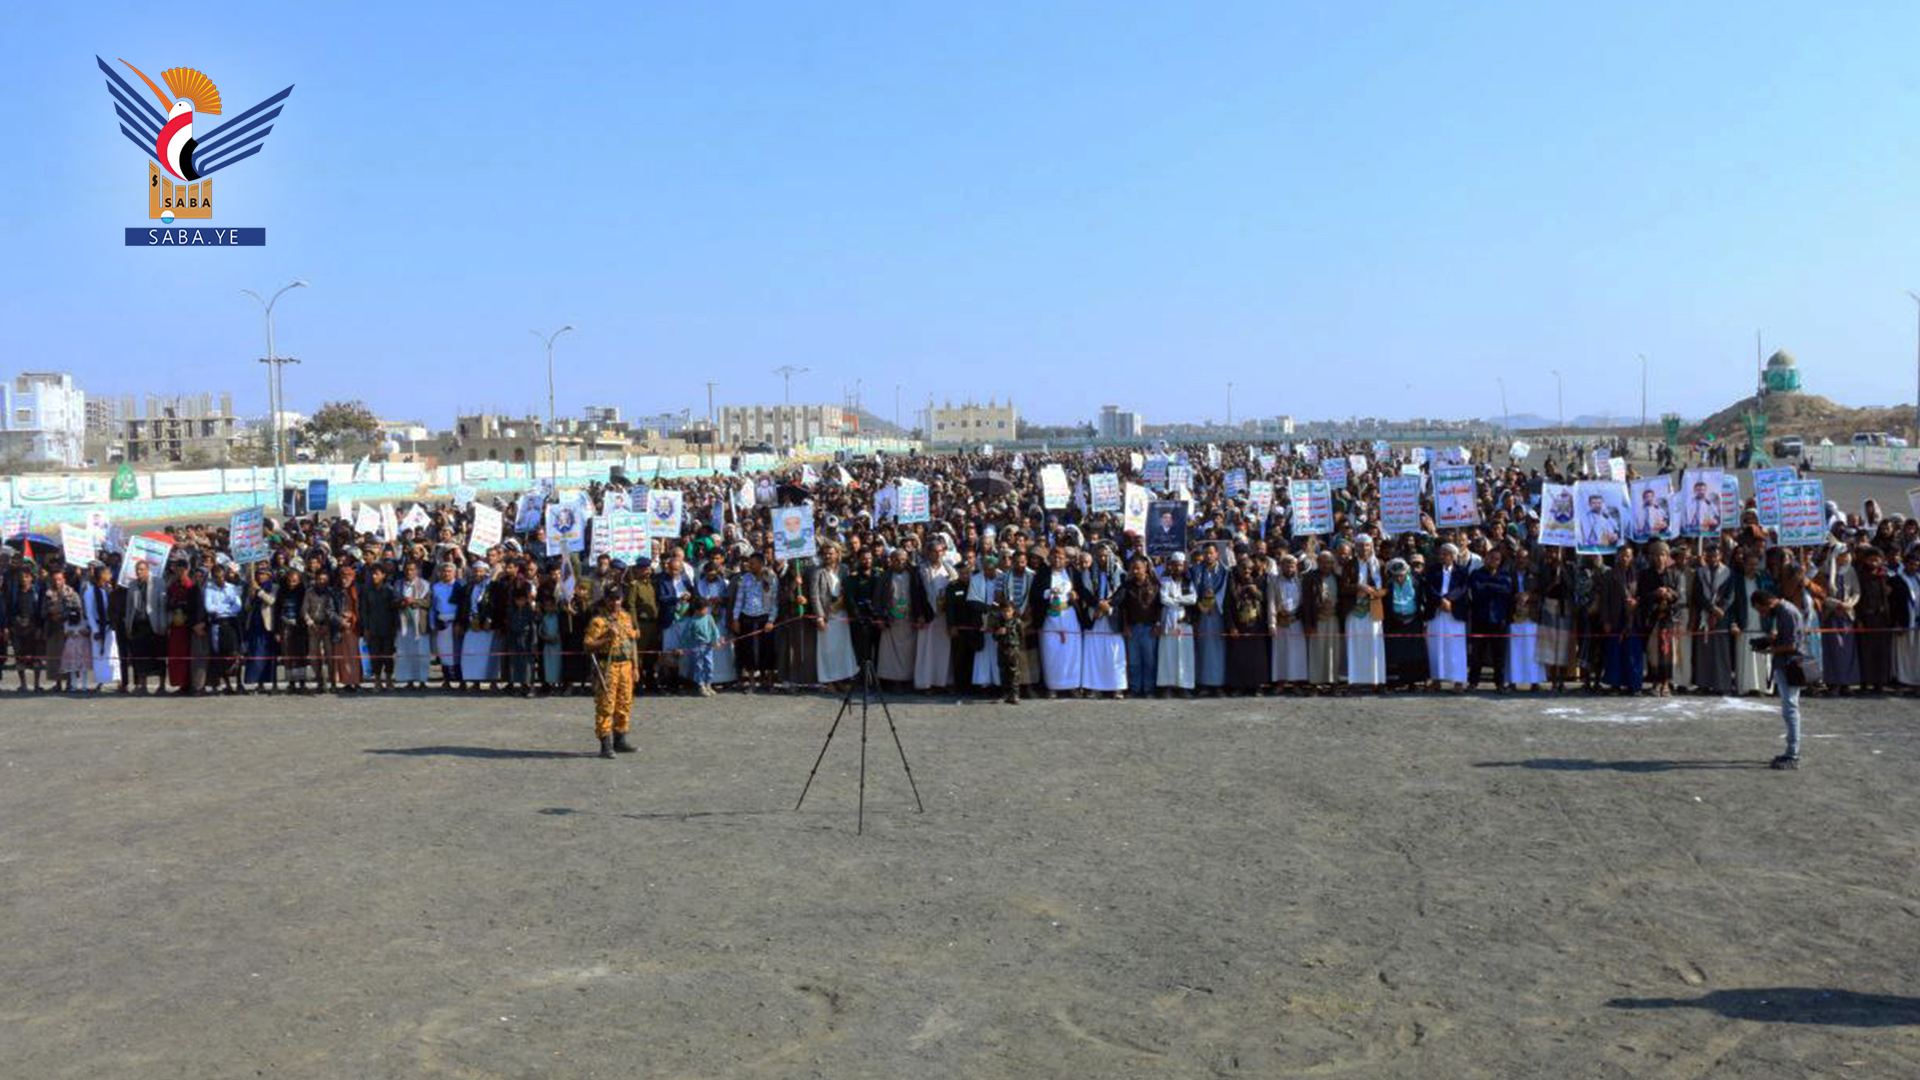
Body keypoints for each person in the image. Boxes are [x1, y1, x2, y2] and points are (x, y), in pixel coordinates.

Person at [1749, 589, 1809, 769]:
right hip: (1787, 664)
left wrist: (1768, 650)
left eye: (1761, 609)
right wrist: (1768, 641)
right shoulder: (1783, 611)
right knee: (1789, 708)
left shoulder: (1786, 612)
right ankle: (1791, 752)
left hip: (1791, 664)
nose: (1762, 614)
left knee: (1790, 709)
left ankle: (1793, 755)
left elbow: (1792, 645)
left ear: (1768, 602)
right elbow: (1785, 638)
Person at [581, 591, 639, 758]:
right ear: (606, 600)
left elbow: (633, 641)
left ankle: (620, 740)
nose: (615, 602)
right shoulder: (598, 621)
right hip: (607, 666)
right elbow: (587, 646)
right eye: (612, 599)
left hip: (626, 666)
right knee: (606, 705)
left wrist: (635, 667)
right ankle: (605, 744)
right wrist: (606, 639)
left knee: (625, 703)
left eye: (618, 598)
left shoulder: (626, 618)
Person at [1034, 546, 1082, 697]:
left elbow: (1082, 590)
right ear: (1049, 559)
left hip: (1069, 614)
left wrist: (1076, 595)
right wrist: (1049, 593)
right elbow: (1034, 594)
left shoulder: (1073, 572)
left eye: (1060, 557)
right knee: (1051, 651)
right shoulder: (1043, 573)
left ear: (1066, 559)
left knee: (1071, 650)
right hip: (1050, 616)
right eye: (1054, 557)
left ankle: (1073, 685)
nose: (1057, 560)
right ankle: (1053, 686)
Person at [1422, 544, 1470, 688]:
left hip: (1454, 611)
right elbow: (1428, 588)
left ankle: (1458, 680)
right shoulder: (1432, 570)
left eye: (1445, 554)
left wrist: (1449, 599)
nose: (1442, 556)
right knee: (1436, 646)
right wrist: (1440, 600)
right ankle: (1436, 680)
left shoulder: (1462, 571)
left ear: (1452, 556)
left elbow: (1462, 588)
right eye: (1441, 553)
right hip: (1436, 610)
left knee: (1455, 647)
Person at [678, 593, 721, 696]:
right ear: (697, 610)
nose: (706, 610)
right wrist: (682, 648)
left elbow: (714, 630)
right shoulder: (692, 621)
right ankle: (701, 685)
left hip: (708, 646)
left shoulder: (709, 617)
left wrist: (716, 641)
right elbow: (686, 636)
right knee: (699, 666)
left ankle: (708, 684)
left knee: (709, 665)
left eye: (707, 608)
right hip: (696, 646)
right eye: (704, 609)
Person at [990, 596, 1024, 704]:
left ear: (1013, 611)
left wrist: (1009, 632)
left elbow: (1021, 635)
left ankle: (1015, 694)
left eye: (1008, 611)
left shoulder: (1017, 622)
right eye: (1004, 611)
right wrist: (997, 633)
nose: (1006, 613)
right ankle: (1005, 694)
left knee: (1014, 672)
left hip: (1013, 648)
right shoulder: (998, 622)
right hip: (1001, 648)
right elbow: (994, 638)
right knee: (1003, 672)